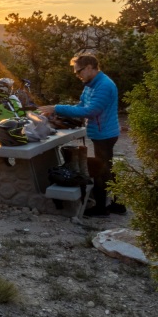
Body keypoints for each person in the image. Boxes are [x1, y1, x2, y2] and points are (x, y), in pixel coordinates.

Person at [38, 54, 123, 217]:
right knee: (107, 168)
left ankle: (101, 208)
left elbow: (91, 111)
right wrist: (62, 116)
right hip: (101, 132)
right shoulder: (90, 84)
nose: (77, 75)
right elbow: (82, 105)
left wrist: (57, 108)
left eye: (79, 71)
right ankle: (117, 204)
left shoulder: (104, 85)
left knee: (101, 170)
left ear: (90, 67)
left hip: (105, 134)